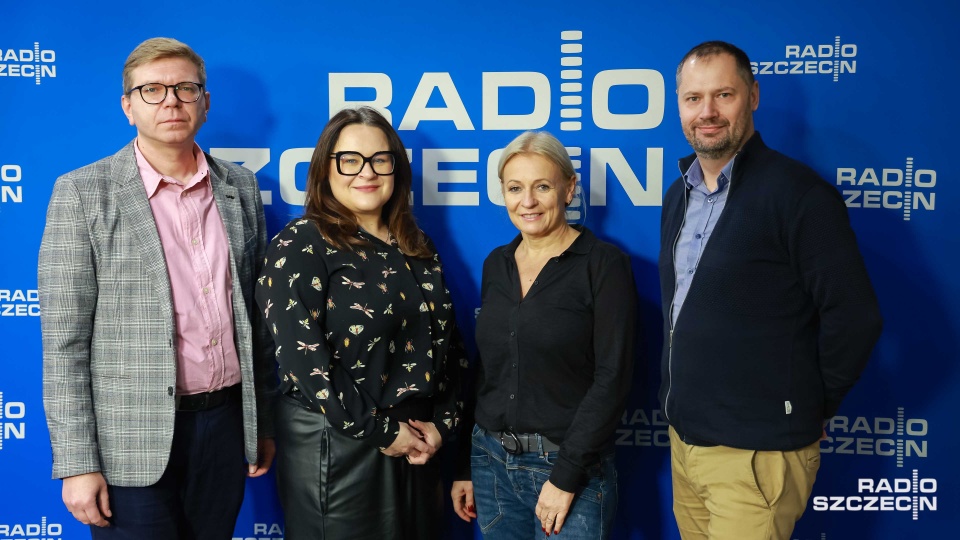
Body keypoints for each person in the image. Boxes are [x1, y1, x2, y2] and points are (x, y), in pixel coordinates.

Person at [38, 37, 275, 539]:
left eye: (186, 88)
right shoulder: (82, 193)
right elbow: (64, 344)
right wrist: (77, 463)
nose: (171, 100)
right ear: (128, 107)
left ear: (205, 103)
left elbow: (257, 323)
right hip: (130, 441)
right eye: (152, 90)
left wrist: (263, 423)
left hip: (225, 424)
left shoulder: (241, 188)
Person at [660, 41, 883, 540]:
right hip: (687, 446)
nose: (708, 112)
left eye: (724, 95)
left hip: (756, 456)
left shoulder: (799, 195)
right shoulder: (679, 194)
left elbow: (857, 317)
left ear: (753, 96)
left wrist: (813, 403)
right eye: (693, 99)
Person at [255, 106, 467, 539]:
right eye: (349, 159)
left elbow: (450, 351)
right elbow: (305, 362)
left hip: (418, 448)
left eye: (380, 159)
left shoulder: (416, 244)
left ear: (397, 168)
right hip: (340, 447)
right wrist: (382, 432)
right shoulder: (300, 244)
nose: (366, 172)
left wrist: (442, 426)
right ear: (325, 168)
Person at [451, 131, 637, 539]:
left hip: (569, 469)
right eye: (515, 188)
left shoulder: (604, 265)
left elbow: (613, 377)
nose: (528, 201)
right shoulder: (495, 264)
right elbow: (488, 372)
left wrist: (566, 477)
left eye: (542, 186)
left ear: (569, 189)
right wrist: (466, 464)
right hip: (491, 462)